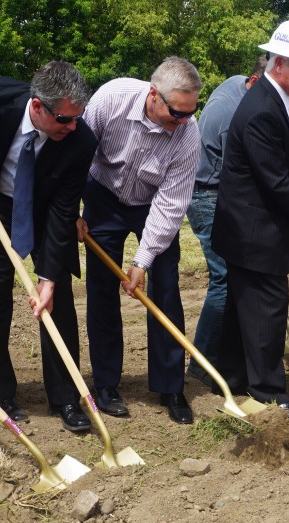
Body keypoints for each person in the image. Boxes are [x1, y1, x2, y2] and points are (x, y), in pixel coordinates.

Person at [0, 61, 97, 432]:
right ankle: (1, 393)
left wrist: (48, 278)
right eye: (64, 119)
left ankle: (65, 397)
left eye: (78, 118)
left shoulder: (81, 141)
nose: (72, 127)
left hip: (45, 214)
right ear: (38, 106)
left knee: (56, 301)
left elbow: (63, 210)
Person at [212, 20, 289, 420]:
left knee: (241, 309)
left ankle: (233, 378)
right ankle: (269, 395)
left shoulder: (274, 100)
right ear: (280, 62)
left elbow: (280, 155)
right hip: (255, 231)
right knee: (267, 309)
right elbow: (275, 186)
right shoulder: (262, 109)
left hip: (246, 229)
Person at [79, 57, 203, 425]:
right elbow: (75, 154)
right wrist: (71, 208)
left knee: (165, 287)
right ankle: (106, 384)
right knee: (101, 290)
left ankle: (171, 387)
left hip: (152, 202)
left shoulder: (188, 133)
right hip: (102, 195)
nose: (182, 121)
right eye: (176, 112)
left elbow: (172, 202)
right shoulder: (110, 99)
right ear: (153, 95)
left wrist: (142, 260)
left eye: (189, 112)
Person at [185, 56, 268, 383]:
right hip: (205, 193)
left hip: (220, 188)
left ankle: (225, 353)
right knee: (224, 277)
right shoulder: (234, 113)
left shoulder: (240, 85)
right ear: (256, 81)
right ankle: (203, 364)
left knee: (235, 274)